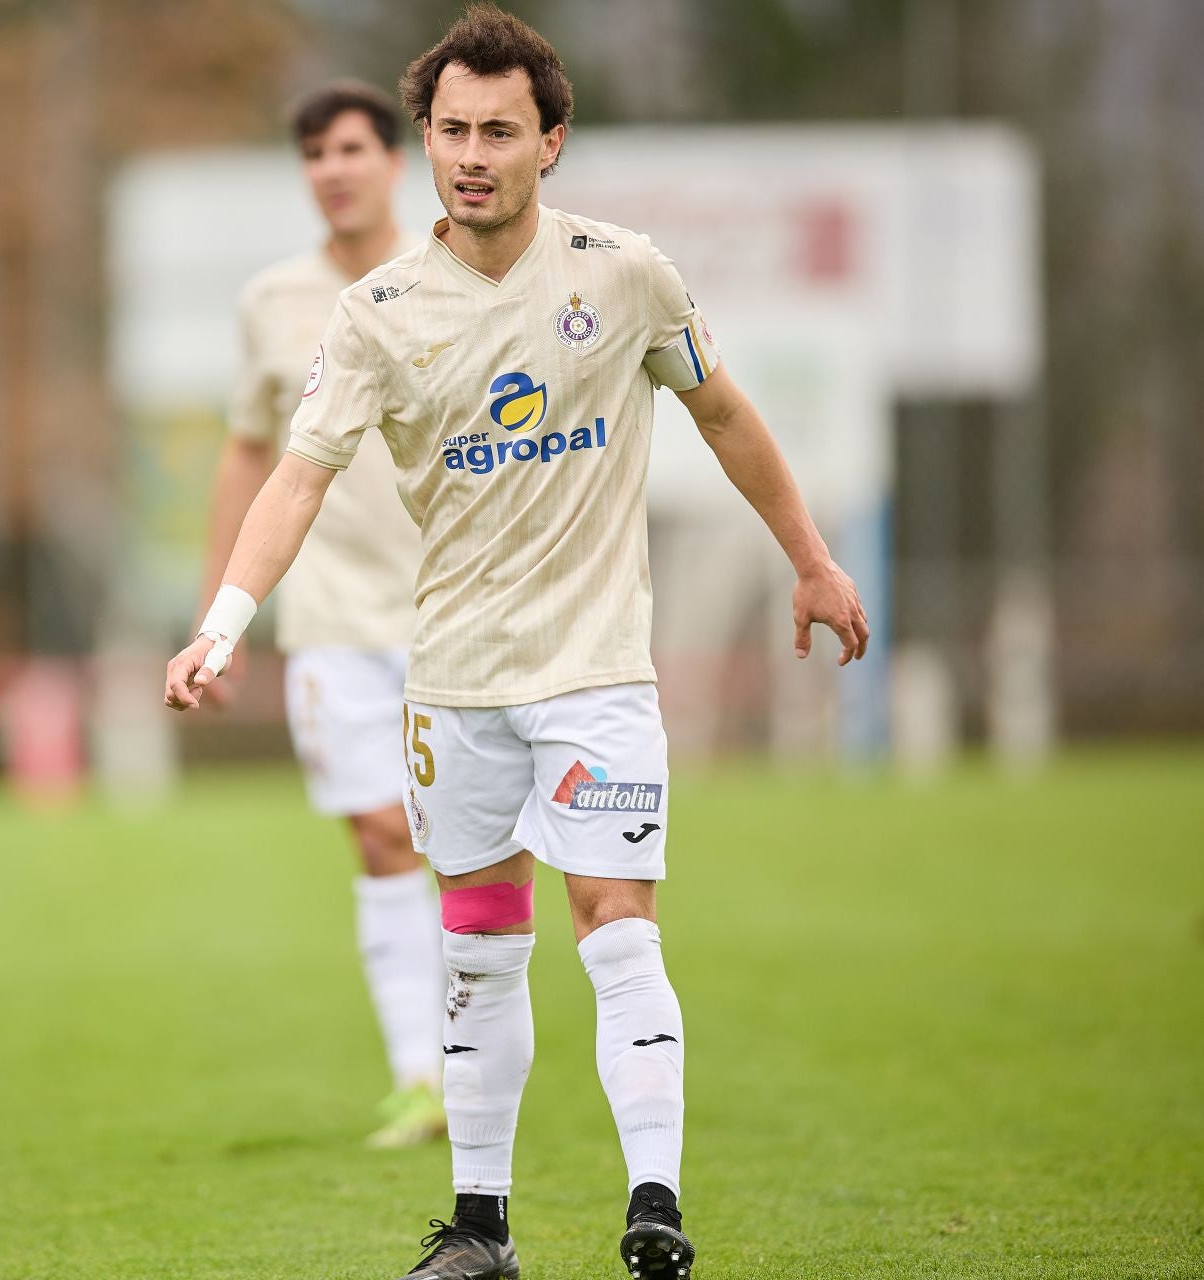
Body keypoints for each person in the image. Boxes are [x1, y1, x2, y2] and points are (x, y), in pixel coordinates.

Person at [164, 9, 869, 1278]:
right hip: (456, 682)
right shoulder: (375, 314)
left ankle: (654, 1203)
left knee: (615, 922)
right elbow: (294, 480)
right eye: (451, 131)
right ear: (423, 143)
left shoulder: (626, 272)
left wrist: (811, 561)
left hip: (597, 670)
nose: (471, 154)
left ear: (552, 142)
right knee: (480, 943)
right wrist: (223, 620)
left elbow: (724, 413)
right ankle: (481, 1228)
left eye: (499, 131)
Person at [199, 80, 446, 1149]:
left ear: (394, 159)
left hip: (457, 611)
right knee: (381, 831)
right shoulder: (273, 301)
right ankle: (421, 1076)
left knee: (475, 845)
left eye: (350, 147)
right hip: (332, 617)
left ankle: (476, 1059)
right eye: (312, 152)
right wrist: (223, 614)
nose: (332, 168)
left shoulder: (452, 277)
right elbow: (250, 451)